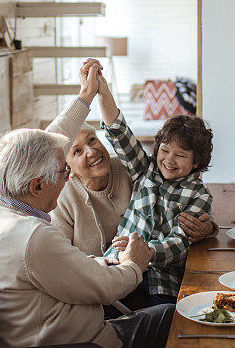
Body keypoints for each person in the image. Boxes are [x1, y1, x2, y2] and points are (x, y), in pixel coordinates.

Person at [0, 116, 174, 348]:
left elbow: (59, 266)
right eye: (63, 172)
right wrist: (133, 264)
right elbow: (105, 289)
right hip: (84, 341)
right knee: (171, 315)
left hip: (36, 331)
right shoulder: (34, 237)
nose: (66, 179)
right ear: (37, 186)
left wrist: (85, 97)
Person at [81, 59, 214, 305]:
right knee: (98, 312)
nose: (169, 160)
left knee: (161, 321)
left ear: (196, 162)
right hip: (117, 267)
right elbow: (118, 130)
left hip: (162, 281)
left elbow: (180, 241)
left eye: (181, 155)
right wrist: (102, 88)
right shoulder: (146, 170)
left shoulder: (200, 196)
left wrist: (147, 252)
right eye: (164, 150)